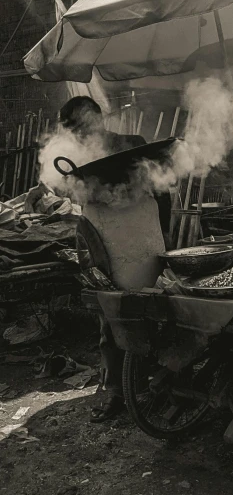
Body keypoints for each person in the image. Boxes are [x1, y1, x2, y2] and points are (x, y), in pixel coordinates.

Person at [59, 96, 171, 422]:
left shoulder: (131, 145)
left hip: (142, 238)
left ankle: (156, 384)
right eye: (73, 129)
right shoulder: (78, 160)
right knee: (109, 319)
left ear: (98, 118)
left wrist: (165, 236)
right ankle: (119, 393)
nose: (81, 133)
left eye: (84, 124)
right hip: (104, 243)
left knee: (151, 313)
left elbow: (160, 190)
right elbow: (77, 201)